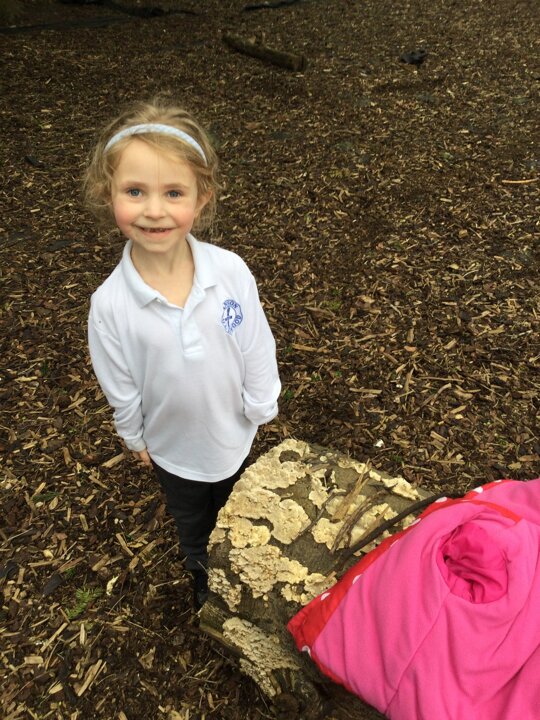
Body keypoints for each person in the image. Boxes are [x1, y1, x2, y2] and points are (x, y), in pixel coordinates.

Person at [84, 98, 281, 610]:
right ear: (109, 194)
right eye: (135, 191)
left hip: (234, 432)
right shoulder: (110, 305)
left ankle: (243, 571)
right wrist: (133, 434)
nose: (154, 210)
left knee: (240, 508)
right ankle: (202, 573)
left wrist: (262, 401)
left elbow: (255, 340)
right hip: (174, 450)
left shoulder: (229, 272)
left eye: (173, 192)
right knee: (192, 521)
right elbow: (119, 383)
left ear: (202, 196)